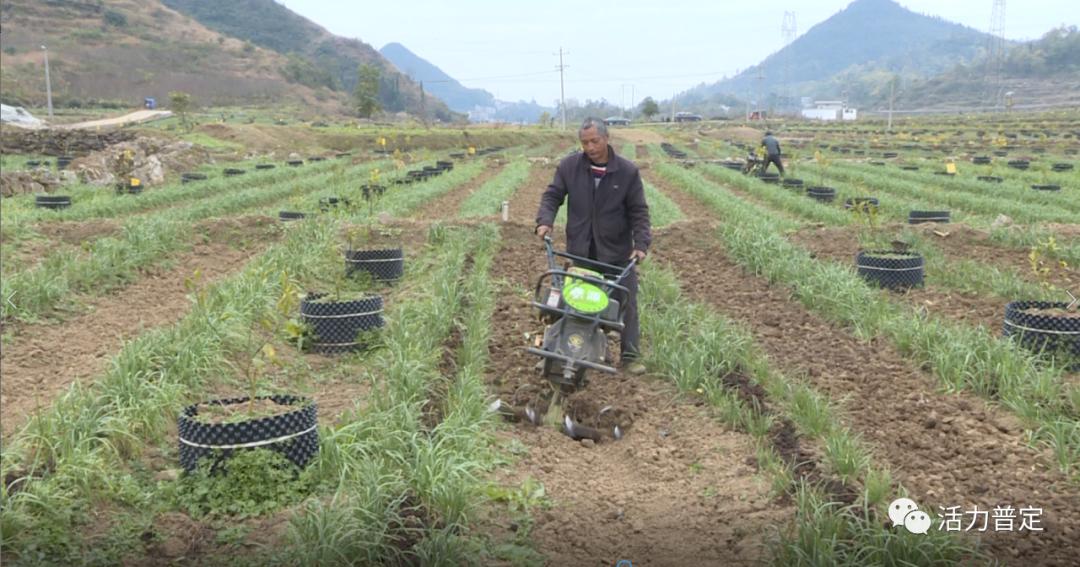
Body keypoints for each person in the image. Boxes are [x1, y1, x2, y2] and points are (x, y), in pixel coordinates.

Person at [535, 117, 651, 375]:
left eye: (594, 141)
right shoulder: (570, 167)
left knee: (626, 302)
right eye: (585, 142)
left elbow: (639, 212)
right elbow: (553, 195)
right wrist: (545, 221)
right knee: (570, 302)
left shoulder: (627, 172)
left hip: (616, 252)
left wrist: (641, 244)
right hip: (581, 250)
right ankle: (558, 348)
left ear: (607, 138)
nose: (589, 147)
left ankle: (630, 357)